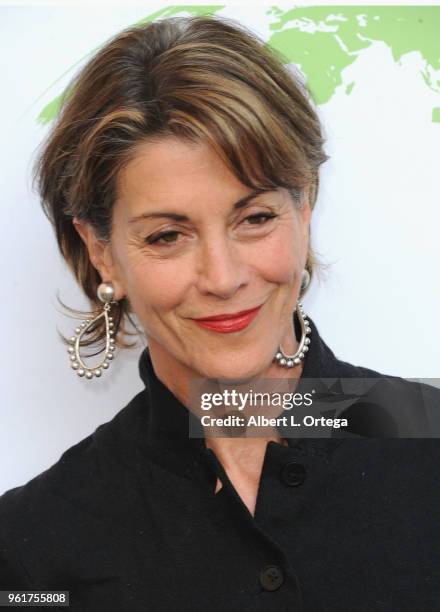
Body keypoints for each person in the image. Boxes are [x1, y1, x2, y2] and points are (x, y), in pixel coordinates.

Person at [1, 14, 439, 611]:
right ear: (100, 251)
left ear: (304, 204)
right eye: (166, 236)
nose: (224, 277)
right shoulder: (29, 546)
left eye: (255, 218)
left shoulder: (429, 437)